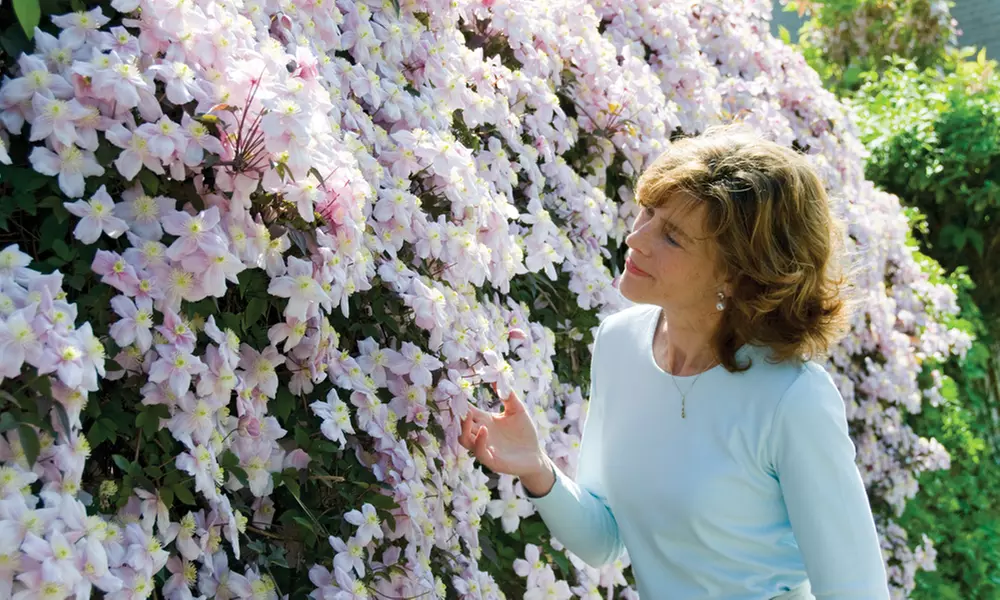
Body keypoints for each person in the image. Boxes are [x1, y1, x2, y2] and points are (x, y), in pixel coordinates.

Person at [459, 124, 892, 599]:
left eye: (672, 237)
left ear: (737, 273)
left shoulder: (793, 399)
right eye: (646, 212)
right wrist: (536, 467)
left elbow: (857, 590)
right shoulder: (619, 343)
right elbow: (605, 539)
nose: (635, 238)